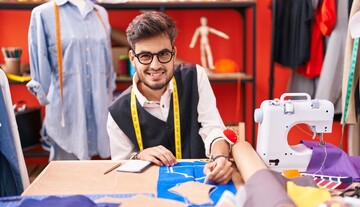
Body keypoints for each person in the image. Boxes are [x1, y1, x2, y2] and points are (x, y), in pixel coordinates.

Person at [107, 11, 233, 184]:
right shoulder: (117, 112)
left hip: (202, 183)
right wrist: (138, 156)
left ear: (174, 53)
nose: (155, 65)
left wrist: (220, 158)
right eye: (145, 56)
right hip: (149, 194)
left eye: (163, 54)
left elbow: (213, 128)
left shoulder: (195, 77)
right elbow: (120, 165)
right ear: (132, 59)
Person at [27, 0, 115, 160]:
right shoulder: (43, 14)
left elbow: (108, 68)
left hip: (99, 113)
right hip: (67, 115)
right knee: (65, 180)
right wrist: (40, 90)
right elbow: (40, 73)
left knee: (98, 180)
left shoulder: (101, 13)